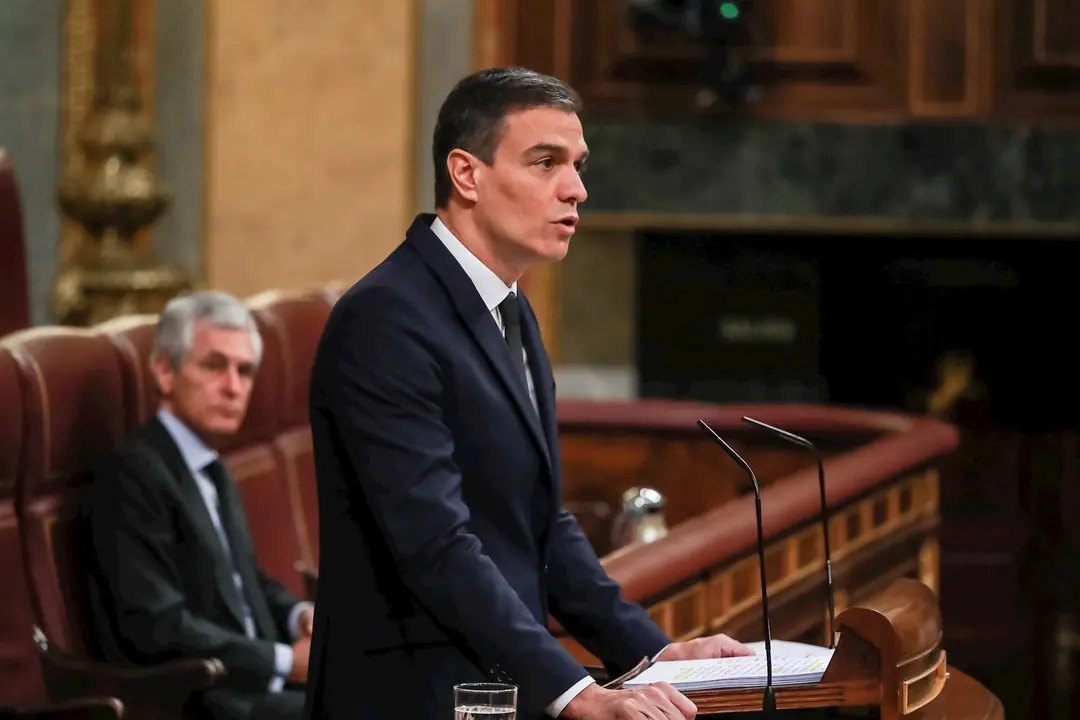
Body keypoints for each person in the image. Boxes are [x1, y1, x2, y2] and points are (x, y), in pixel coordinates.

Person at [305, 66, 753, 720]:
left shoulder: (510, 309)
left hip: (493, 690)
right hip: (413, 697)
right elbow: (435, 545)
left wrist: (649, 657)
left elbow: (540, 524)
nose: (576, 189)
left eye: (577, 164)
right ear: (466, 175)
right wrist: (575, 694)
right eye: (545, 163)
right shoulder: (387, 319)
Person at [82, 291, 314, 720]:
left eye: (245, 372)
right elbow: (157, 625)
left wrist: (297, 615)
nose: (233, 387)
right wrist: (282, 660)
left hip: (252, 687)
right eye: (214, 365)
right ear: (165, 371)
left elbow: (244, 582)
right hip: (203, 700)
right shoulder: (134, 472)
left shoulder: (209, 464)